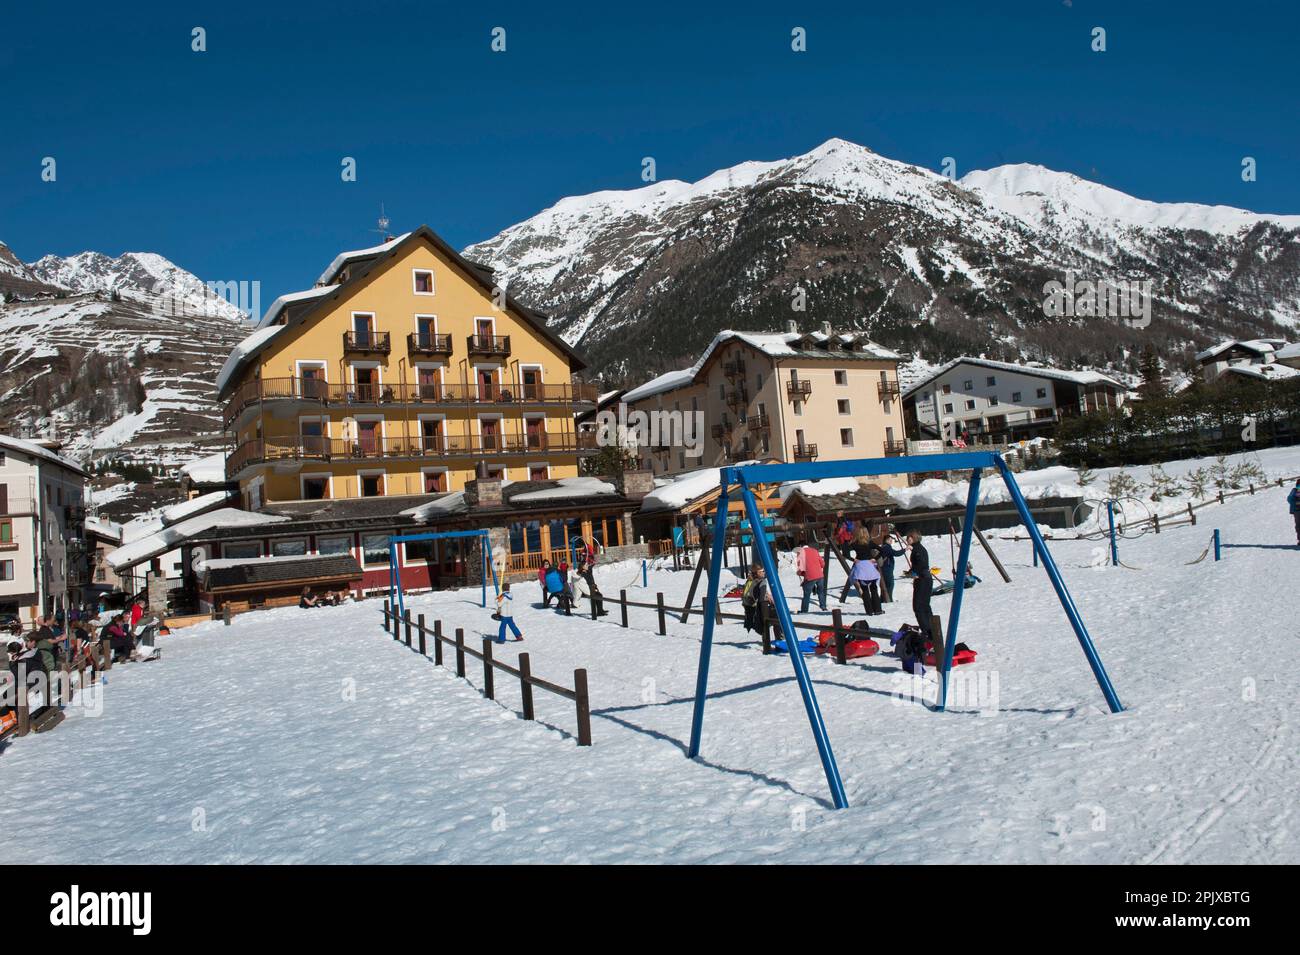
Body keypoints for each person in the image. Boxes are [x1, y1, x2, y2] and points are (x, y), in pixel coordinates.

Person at [905, 529, 934, 639]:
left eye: (909, 537)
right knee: (925, 605)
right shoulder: (920, 548)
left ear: (913, 538)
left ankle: (927, 631)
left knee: (918, 606)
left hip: (922, 579)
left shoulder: (916, 549)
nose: (907, 539)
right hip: (926, 578)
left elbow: (920, 562)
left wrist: (914, 572)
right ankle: (932, 629)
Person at [796, 537, 827, 613]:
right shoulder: (815, 550)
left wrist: (799, 573)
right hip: (820, 575)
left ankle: (804, 610)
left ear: (800, 546)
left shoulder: (800, 553)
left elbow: (801, 568)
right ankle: (823, 606)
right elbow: (822, 564)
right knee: (821, 592)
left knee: (806, 595)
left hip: (810, 577)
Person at [879, 526, 906, 603]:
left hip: (885, 569)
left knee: (885, 585)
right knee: (890, 585)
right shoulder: (886, 548)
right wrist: (905, 549)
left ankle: (882, 599)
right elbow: (896, 553)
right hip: (887, 569)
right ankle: (888, 600)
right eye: (890, 540)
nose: (891, 541)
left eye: (891, 539)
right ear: (886, 540)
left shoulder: (885, 547)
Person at [1289, 479, 1300, 545]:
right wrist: (1295, 502)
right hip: (1297, 511)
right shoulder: (1294, 491)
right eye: (1298, 486)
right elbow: (1289, 499)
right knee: (1298, 525)